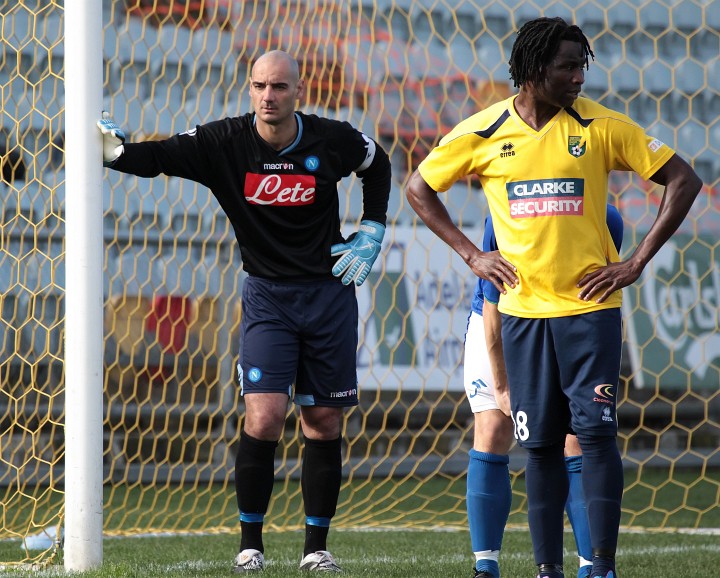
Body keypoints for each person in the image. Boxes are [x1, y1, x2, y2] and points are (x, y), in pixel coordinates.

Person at [406, 16, 701, 578]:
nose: (578, 78)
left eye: (581, 67)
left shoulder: (601, 126)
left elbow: (683, 180)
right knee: (538, 444)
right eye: (567, 67)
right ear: (534, 70)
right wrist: (473, 255)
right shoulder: (484, 131)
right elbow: (418, 187)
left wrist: (635, 261)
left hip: (589, 312)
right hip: (522, 313)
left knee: (594, 434)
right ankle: (547, 569)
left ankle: (603, 566)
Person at [98, 49, 392, 573]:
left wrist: (373, 227)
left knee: (323, 421)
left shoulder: (331, 138)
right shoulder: (224, 142)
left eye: (278, 87)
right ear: (249, 89)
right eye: (259, 86)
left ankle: (316, 549)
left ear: (297, 90)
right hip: (267, 298)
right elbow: (159, 157)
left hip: (328, 296)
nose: (268, 97)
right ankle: (250, 544)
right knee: (264, 415)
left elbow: (378, 163)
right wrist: (114, 154)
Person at [465, 205, 623, 578]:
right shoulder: (503, 215)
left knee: (576, 439)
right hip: (507, 324)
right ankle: (485, 565)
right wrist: (502, 385)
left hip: (572, 322)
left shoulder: (607, 218)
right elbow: (493, 310)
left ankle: (591, 566)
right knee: (493, 427)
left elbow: (600, 298)